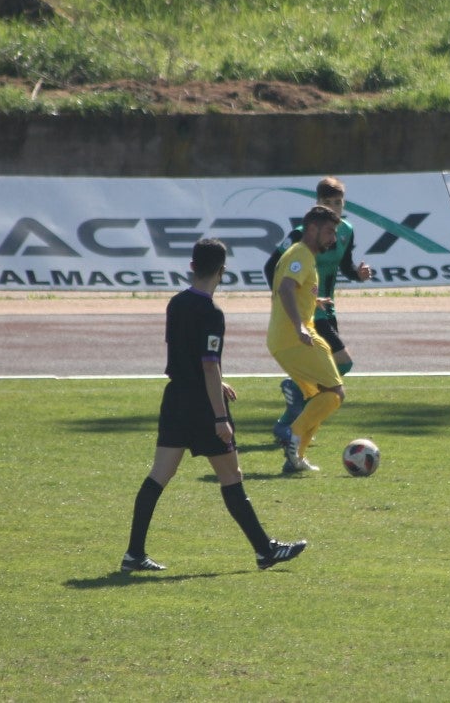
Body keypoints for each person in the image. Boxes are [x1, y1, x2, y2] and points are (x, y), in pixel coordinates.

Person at [121, 238, 307, 572]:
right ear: (222, 271)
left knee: (159, 475)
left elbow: (186, 356)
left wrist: (217, 381)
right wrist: (220, 416)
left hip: (175, 398)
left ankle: (134, 554)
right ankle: (265, 551)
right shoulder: (211, 312)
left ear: (192, 266)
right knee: (231, 476)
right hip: (203, 406)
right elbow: (208, 364)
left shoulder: (176, 303)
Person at [264, 176, 373, 445]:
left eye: (339, 203)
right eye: (328, 203)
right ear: (318, 203)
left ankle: (291, 419)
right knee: (343, 363)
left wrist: (358, 274)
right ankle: (295, 399)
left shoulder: (344, 231)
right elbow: (271, 266)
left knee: (334, 368)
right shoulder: (302, 234)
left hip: (326, 308)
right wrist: (282, 298)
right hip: (310, 312)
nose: (334, 208)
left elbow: (344, 265)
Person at [267, 205, 347, 473]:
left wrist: (314, 300)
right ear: (312, 229)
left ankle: (295, 459)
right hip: (296, 338)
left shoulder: (302, 255)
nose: (333, 238)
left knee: (322, 396)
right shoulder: (300, 253)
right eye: (329, 231)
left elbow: (295, 289)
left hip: (283, 340)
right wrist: (300, 326)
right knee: (335, 392)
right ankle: (292, 433)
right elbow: (286, 288)